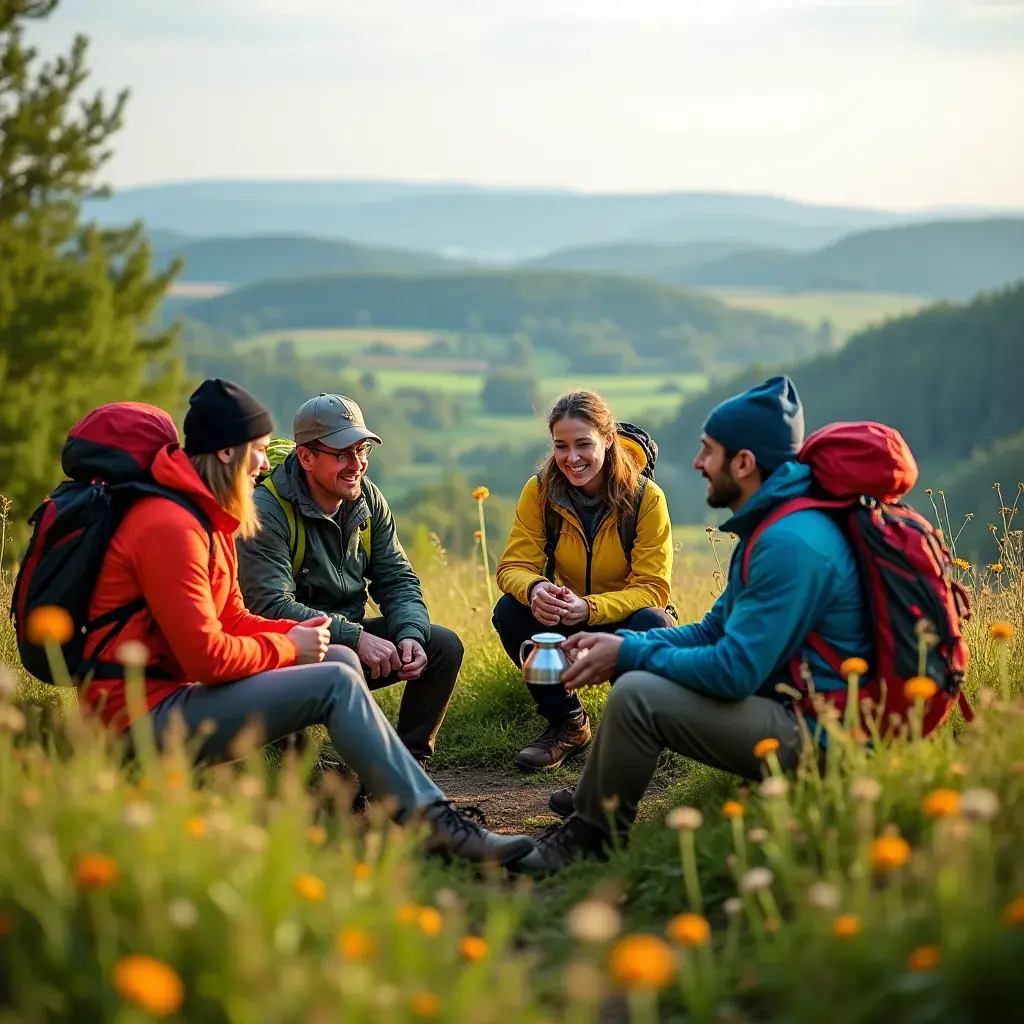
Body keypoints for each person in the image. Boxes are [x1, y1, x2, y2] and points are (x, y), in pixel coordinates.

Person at [82, 379, 533, 867]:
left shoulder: (206, 519)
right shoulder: (173, 527)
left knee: (340, 658)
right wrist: (294, 645)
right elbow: (208, 656)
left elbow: (234, 617)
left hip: (179, 694)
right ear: (228, 452)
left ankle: (388, 786)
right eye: (259, 450)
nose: (264, 464)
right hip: (139, 718)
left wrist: (331, 639)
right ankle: (433, 825)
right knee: (336, 676)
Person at [511, 376, 871, 874]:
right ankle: (593, 807)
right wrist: (620, 644)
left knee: (637, 695)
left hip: (825, 735)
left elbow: (735, 671)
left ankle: (589, 837)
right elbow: (711, 630)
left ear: (743, 463)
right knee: (637, 680)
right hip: (790, 704)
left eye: (708, 451)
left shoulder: (789, 544)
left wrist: (628, 651)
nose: (698, 463)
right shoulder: (775, 527)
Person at [236, 393, 463, 768]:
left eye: (362, 450)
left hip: (349, 640)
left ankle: (409, 763)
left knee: (442, 646)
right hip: (286, 651)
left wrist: (410, 633)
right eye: (342, 454)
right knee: (342, 671)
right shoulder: (266, 511)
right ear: (306, 458)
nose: (357, 465)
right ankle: (315, 763)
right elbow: (270, 606)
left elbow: (397, 578)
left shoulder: (367, 498)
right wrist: (353, 637)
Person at [493, 390, 676, 774]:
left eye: (583, 444)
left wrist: (589, 608)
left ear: (608, 440)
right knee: (510, 610)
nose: (572, 458)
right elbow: (513, 566)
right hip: (566, 613)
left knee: (654, 622)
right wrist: (535, 589)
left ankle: (640, 732)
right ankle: (568, 724)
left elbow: (653, 589)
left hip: (623, 618)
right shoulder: (540, 491)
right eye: (561, 446)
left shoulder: (646, 499)